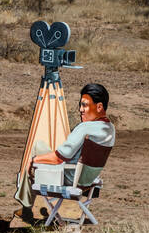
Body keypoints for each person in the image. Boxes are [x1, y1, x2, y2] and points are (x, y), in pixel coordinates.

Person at [17, 83, 115, 221]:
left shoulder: (85, 128)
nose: (80, 110)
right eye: (80, 105)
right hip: (88, 179)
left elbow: (58, 158)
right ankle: (28, 205)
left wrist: (33, 161)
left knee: (37, 147)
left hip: (69, 178)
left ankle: (26, 207)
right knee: (42, 150)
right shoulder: (110, 129)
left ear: (99, 107)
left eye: (85, 105)